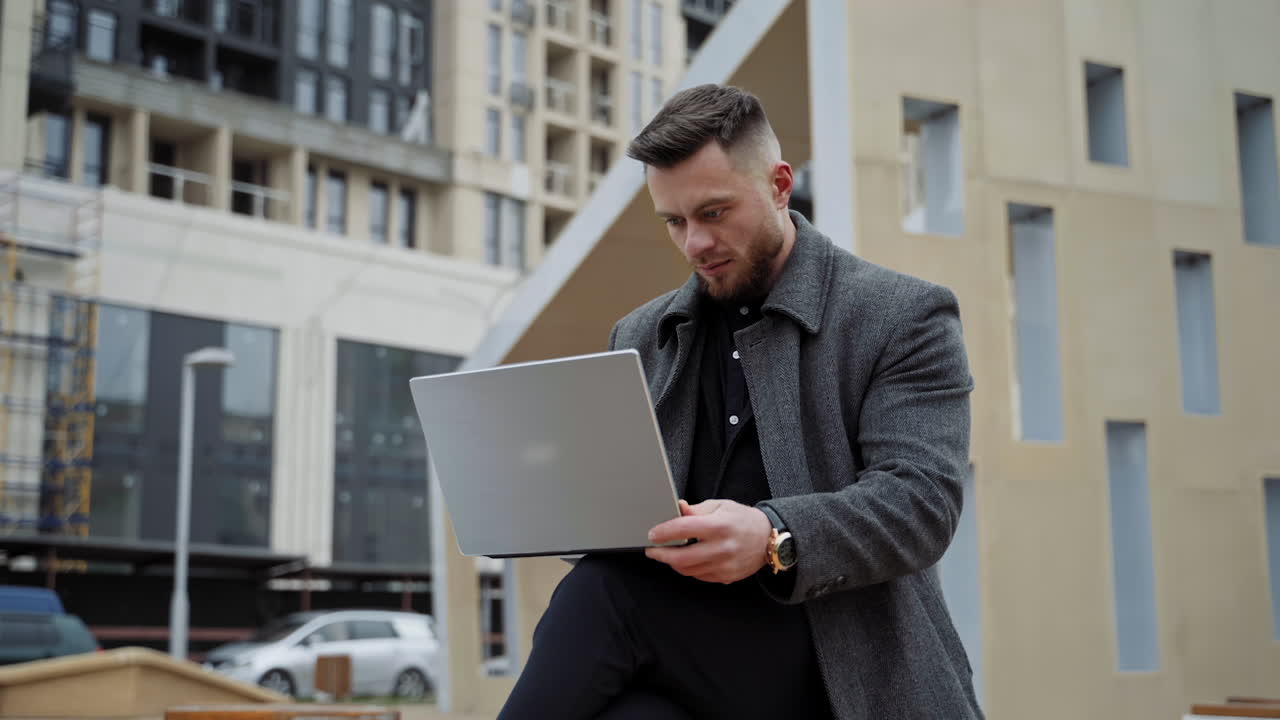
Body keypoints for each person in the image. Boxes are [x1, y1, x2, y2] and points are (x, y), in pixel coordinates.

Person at [497, 84, 983, 719]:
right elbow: (620, 514)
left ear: (780, 184)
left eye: (714, 212)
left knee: (601, 596)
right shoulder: (641, 337)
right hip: (687, 650)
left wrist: (773, 536)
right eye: (674, 221)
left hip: (837, 661)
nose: (695, 242)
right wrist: (560, 500)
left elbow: (921, 504)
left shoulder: (901, 316)